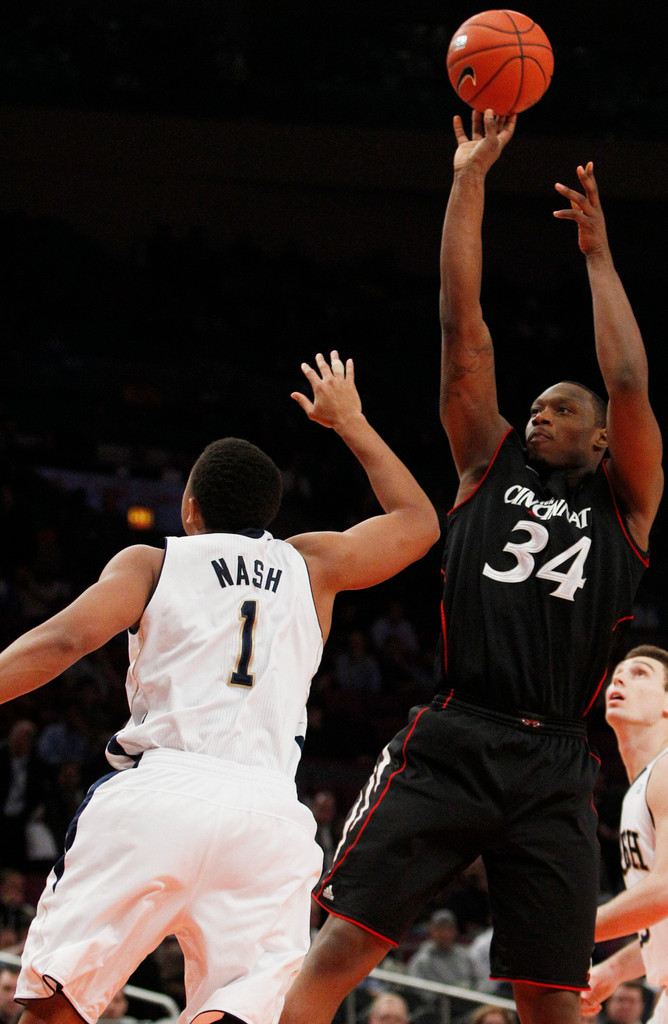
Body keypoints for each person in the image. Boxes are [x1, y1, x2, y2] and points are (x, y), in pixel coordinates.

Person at [278, 112, 663, 1024]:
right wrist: (469, 181)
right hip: (455, 735)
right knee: (342, 944)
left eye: (560, 410)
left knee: (552, 997)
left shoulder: (628, 504)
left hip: (557, 764)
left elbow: (632, 380)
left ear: (602, 436)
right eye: (533, 406)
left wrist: (600, 258)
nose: (538, 414)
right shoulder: (485, 465)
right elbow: (464, 329)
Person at [0, 351, 439, 1024]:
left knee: (56, 1008)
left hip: (162, 792)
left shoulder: (155, 558)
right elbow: (418, 523)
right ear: (270, 513)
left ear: (188, 506)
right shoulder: (312, 564)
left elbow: (61, 642)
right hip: (270, 819)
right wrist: (350, 421)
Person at [582, 646, 668, 1023]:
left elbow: (665, 891)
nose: (619, 678)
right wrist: (613, 971)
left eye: (641, 673)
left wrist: (567, 933)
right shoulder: (646, 784)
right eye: (619, 673)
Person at [406, 910, 478, 1024]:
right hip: (437, 1013)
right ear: (432, 930)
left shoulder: (465, 956)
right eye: (440, 929)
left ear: (455, 931)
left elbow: (476, 982)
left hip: (467, 1008)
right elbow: (419, 994)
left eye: (449, 929)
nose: (445, 934)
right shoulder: (421, 960)